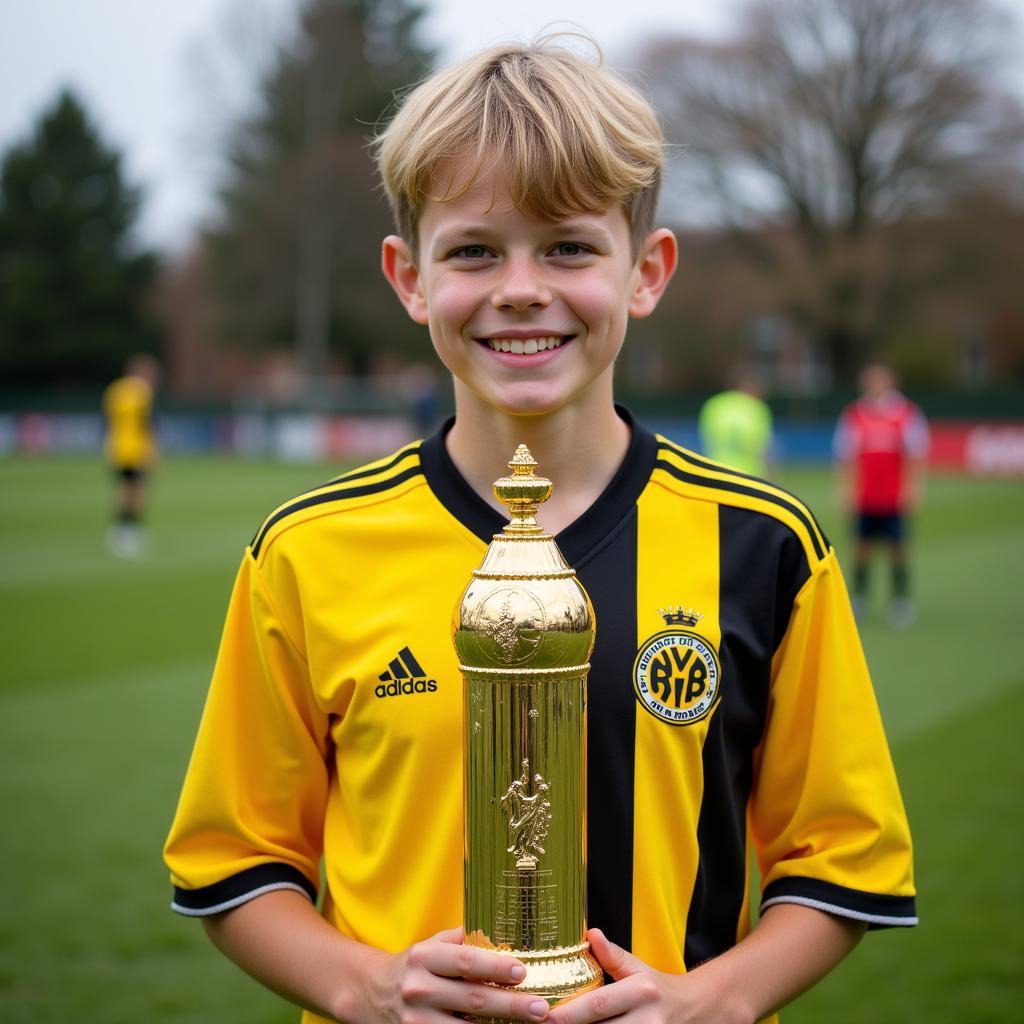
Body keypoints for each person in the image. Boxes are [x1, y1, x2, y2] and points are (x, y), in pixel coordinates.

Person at [164, 39, 916, 1024]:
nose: (521, 286)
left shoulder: (764, 543)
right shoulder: (308, 548)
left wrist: (714, 1000)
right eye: (475, 249)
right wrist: (367, 986)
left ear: (646, 271)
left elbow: (845, 855)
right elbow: (236, 858)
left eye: (567, 245)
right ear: (410, 277)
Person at [833, 362, 929, 627]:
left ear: (891, 382)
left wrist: (914, 488)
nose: (874, 385)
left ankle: (900, 601)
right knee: (861, 548)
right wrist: (844, 489)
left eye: (880, 380)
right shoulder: (854, 414)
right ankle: (859, 599)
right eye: (870, 380)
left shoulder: (906, 413)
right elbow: (845, 455)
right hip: (865, 495)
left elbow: (917, 454)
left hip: (894, 495)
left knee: (897, 548)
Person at [102, 353, 160, 557]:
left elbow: (109, 422)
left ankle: (119, 531)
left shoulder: (115, 390)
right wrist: (153, 451)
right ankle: (129, 531)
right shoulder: (142, 392)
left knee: (123, 490)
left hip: (116, 448)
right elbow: (146, 424)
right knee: (137, 492)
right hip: (136, 449)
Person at [697, 369, 774, 476]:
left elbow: (707, 438)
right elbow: (761, 448)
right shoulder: (756, 407)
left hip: (717, 469)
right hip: (748, 473)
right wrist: (770, 474)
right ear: (750, 386)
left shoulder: (713, 404)